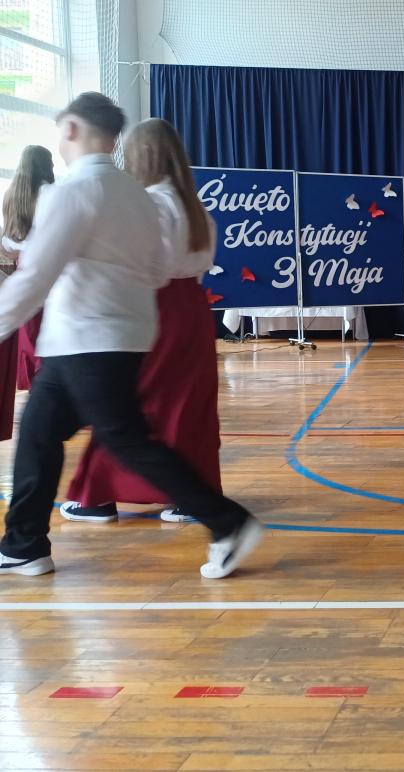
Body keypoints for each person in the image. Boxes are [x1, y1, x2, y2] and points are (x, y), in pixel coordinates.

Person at [0, 92, 260, 578]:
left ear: (72, 129)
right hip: (106, 337)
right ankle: (24, 544)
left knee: (128, 441)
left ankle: (228, 522)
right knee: (39, 436)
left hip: (87, 340)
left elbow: (35, 274)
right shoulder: (136, 196)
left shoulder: (73, 192)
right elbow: (157, 270)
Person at [60, 118, 223, 525]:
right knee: (188, 403)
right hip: (192, 309)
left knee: (126, 401)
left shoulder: (149, 203)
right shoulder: (193, 205)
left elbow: (144, 266)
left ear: (139, 155)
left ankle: (99, 495)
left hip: (154, 307)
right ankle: (190, 496)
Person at [2, 145, 55, 390]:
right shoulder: (50, 194)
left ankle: (36, 388)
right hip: (49, 270)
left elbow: (8, 242)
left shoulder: (11, 196)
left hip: (23, 270)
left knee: (31, 336)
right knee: (48, 337)